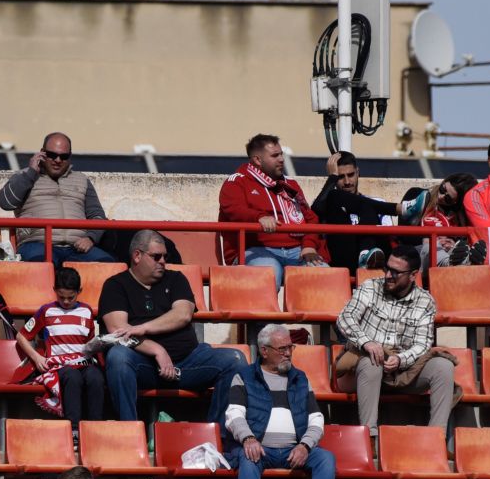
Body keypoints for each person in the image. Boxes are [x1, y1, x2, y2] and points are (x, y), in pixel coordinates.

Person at [99, 230, 246, 423]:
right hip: (144, 365)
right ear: (137, 255)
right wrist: (157, 350)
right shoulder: (115, 285)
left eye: (165, 257)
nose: (162, 261)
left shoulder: (176, 279)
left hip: (187, 362)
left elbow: (183, 314)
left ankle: (217, 436)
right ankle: (129, 431)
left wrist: (144, 328)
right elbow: (117, 331)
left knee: (235, 359)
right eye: (156, 256)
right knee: (118, 357)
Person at [334, 243, 458, 438]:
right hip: (361, 372)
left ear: (412, 275)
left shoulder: (425, 301)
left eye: (396, 272)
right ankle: (369, 437)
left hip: (402, 372)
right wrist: (367, 342)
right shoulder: (370, 287)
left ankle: (436, 438)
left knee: (443, 366)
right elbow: (345, 318)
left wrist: (400, 359)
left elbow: (422, 344)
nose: (388, 275)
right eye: (387, 269)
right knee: (371, 361)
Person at [214, 324, 334, 479]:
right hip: (260, 449)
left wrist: (305, 446)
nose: (288, 353)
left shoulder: (300, 378)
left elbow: (316, 419)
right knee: (248, 459)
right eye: (282, 348)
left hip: (294, 449)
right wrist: (248, 439)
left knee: (325, 458)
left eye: (290, 347)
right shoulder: (245, 376)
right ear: (264, 351)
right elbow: (234, 415)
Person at [219, 133, 329, 280]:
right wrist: (259, 218)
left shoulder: (290, 184)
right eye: (275, 155)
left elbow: (310, 218)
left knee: (324, 274)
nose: (282, 159)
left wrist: (309, 245)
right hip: (254, 251)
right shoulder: (236, 182)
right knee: (269, 272)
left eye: (281, 154)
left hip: (297, 250)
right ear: (257, 160)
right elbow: (234, 211)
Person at [13, 265, 105, 436]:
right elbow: (22, 336)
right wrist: (36, 358)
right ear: (54, 290)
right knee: (72, 377)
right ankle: (74, 430)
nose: (66, 301)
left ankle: (95, 429)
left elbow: (90, 343)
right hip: (59, 366)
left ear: (80, 291)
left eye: (71, 297)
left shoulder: (86, 311)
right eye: (61, 297)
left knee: (96, 378)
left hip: (83, 361)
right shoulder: (46, 311)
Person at [0, 132, 113, 262]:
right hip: (37, 244)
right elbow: (5, 203)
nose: (58, 160)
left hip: (77, 247)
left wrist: (91, 238)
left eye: (63, 156)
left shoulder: (82, 180)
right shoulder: (24, 176)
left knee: (107, 263)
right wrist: (31, 173)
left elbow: (97, 215)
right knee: (42, 264)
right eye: (52, 155)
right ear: (42, 153)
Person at [309, 151, 399, 272]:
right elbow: (316, 209)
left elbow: (388, 241)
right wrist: (332, 179)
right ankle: (400, 209)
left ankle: (366, 254)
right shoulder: (328, 204)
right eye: (340, 177)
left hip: (379, 260)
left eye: (350, 175)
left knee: (367, 205)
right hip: (345, 261)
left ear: (358, 172)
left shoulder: (377, 201)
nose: (347, 182)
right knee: (334, 196)